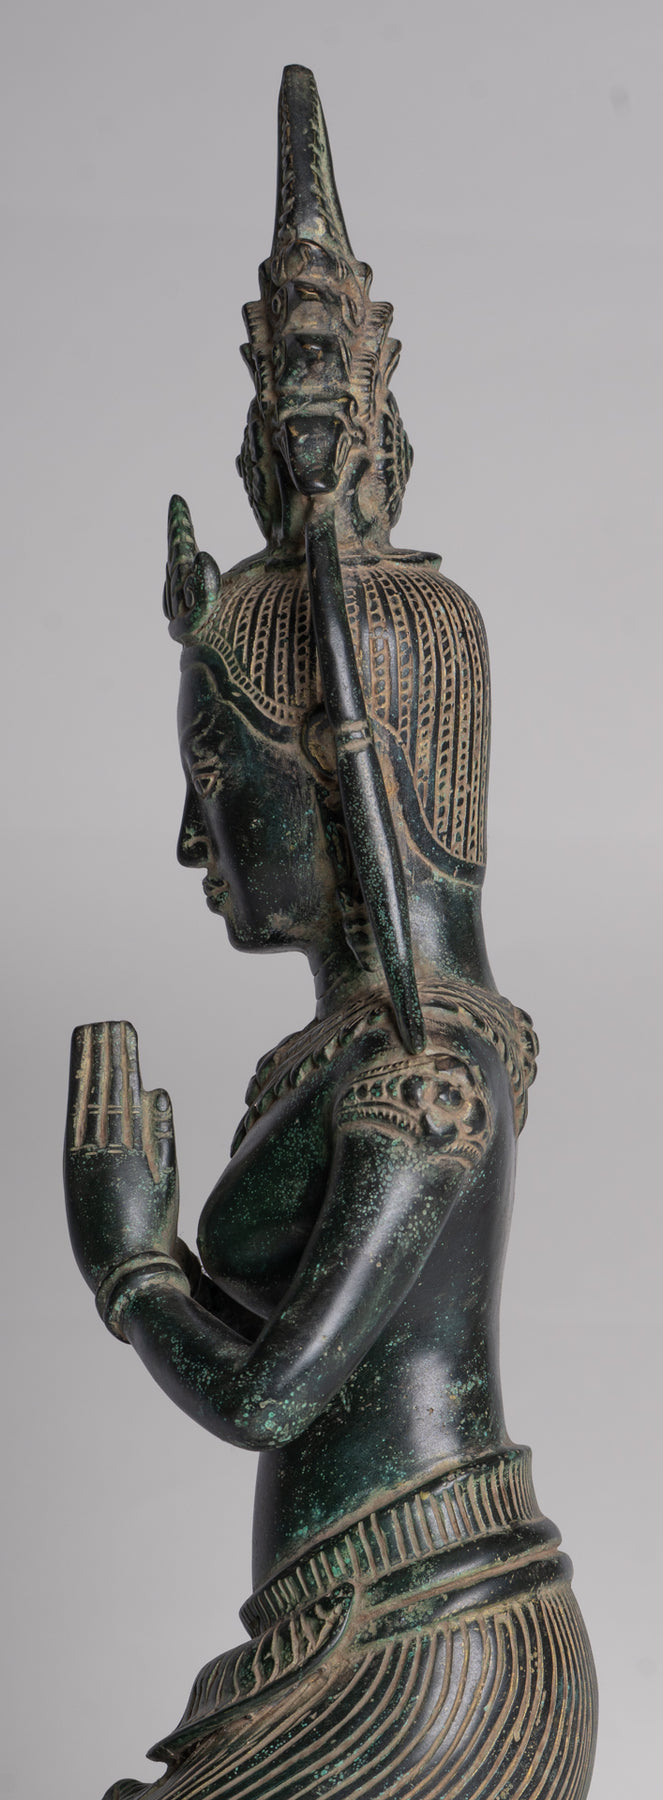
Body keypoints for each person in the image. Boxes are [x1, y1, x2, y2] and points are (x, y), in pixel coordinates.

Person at [64, 64, 596, 1800]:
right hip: (362, 1620)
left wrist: (133, 1264)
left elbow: (276, 1398)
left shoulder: (428, 1074)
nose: (192, 837)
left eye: (218, 783)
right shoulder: (360, 1055)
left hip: (435, 1659)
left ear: (326, 776)